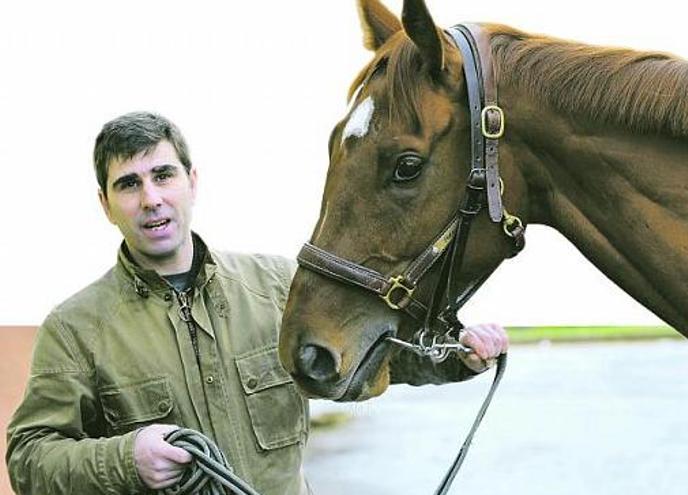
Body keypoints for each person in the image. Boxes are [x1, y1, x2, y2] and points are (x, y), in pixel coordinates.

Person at [5, 111, 509, 494]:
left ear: (191, 181)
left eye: (163, 175)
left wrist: (455, 357)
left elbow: (371, 360)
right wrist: (126, 458)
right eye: (128, 184)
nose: (151, 198)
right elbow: (29, 459)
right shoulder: (74, 329)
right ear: (105, 204)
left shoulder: (278, 285)